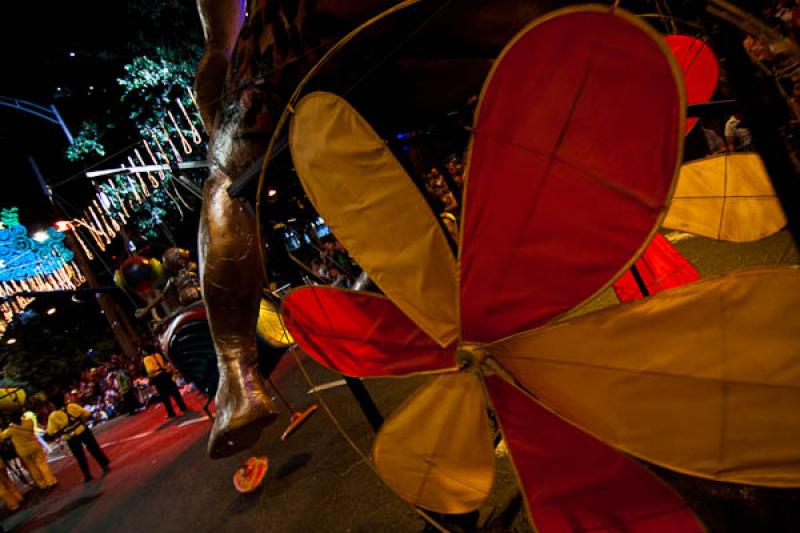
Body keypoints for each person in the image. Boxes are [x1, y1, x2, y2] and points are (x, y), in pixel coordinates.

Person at [47, 393, 110, 483]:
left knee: (80, 457)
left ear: (53, 404)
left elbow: (50, 431)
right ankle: (104, 465)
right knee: (94, 448)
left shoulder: (53, 416)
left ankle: (87, 475)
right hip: (83, 430)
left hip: (71, 437)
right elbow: (87, 414)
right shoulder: (72, 406)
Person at [2, 413, 57, 489]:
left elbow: (2, 436)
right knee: (42, 464)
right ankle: (51, 481)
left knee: (32, 467)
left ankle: (42, 484)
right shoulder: (29, 422)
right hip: (35, 446)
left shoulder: (10, 430)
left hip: (23, 451)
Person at [143, 349, 188, 418]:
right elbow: (163, 364)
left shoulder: (146, 359)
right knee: (175, 392)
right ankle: (183, 407)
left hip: (158, 378)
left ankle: (171, 413)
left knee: (165, 397)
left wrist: (149, 377)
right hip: (165, 374)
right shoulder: (157, 354)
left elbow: (150, 370)